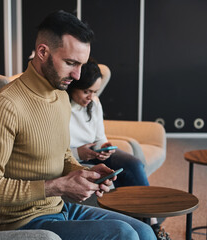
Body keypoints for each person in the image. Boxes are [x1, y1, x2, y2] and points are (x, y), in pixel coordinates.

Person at [0, 10, 156, 240]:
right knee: (123, 234)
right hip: (20, 223)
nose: (78, 75)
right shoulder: (4, 106)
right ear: (42, 52)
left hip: (59, 209)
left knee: (145, 231)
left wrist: (86, 173)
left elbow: (63, 156)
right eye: (70, 63)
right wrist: (58, 187)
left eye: (82, 64)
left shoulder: (60, 97)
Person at [67, 58, 171, 240]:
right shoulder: (61, 107)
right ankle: (145, 225)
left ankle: (151, 222)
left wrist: (105, 146)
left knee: (132, 163)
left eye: (95, 91)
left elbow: (100, 137)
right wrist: (79, 153)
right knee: (119, 171)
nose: (91, 97)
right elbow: (56, 150)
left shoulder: (94, 103)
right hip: (74, 156)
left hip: (94, 153)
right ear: (74, 85)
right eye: (86, 91)